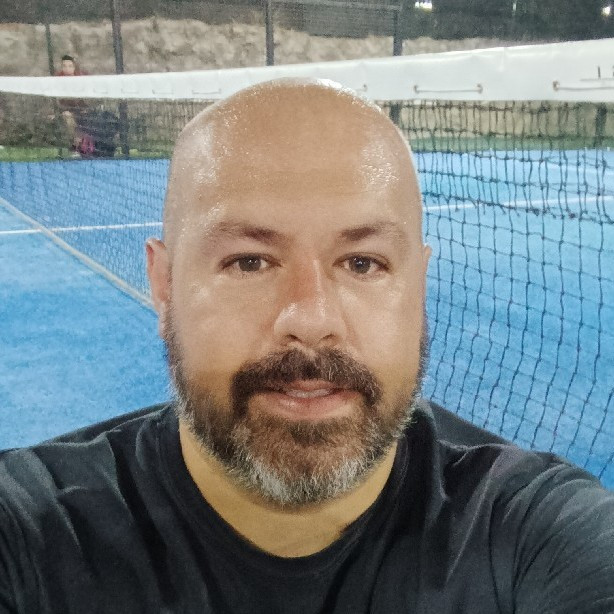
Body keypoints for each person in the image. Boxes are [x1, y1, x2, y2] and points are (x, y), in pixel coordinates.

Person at [0, 79, 613, 613]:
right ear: (163, 287)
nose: (312, 319)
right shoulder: (34, 531)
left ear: (419, 287)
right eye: (249, 261)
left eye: (363, 263)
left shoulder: (533, 533)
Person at [54, 54, 88, 154]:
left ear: (74, 67)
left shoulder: (80, 77)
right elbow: (56, 99)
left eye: (70, 66)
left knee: (85, 119)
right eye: (64, 66)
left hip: (81, 109)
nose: (67, 69)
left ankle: (80, 146)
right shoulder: (57, 79)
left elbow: (85, 98)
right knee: (68, 116)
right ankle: (76, 145)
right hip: (65, 109)